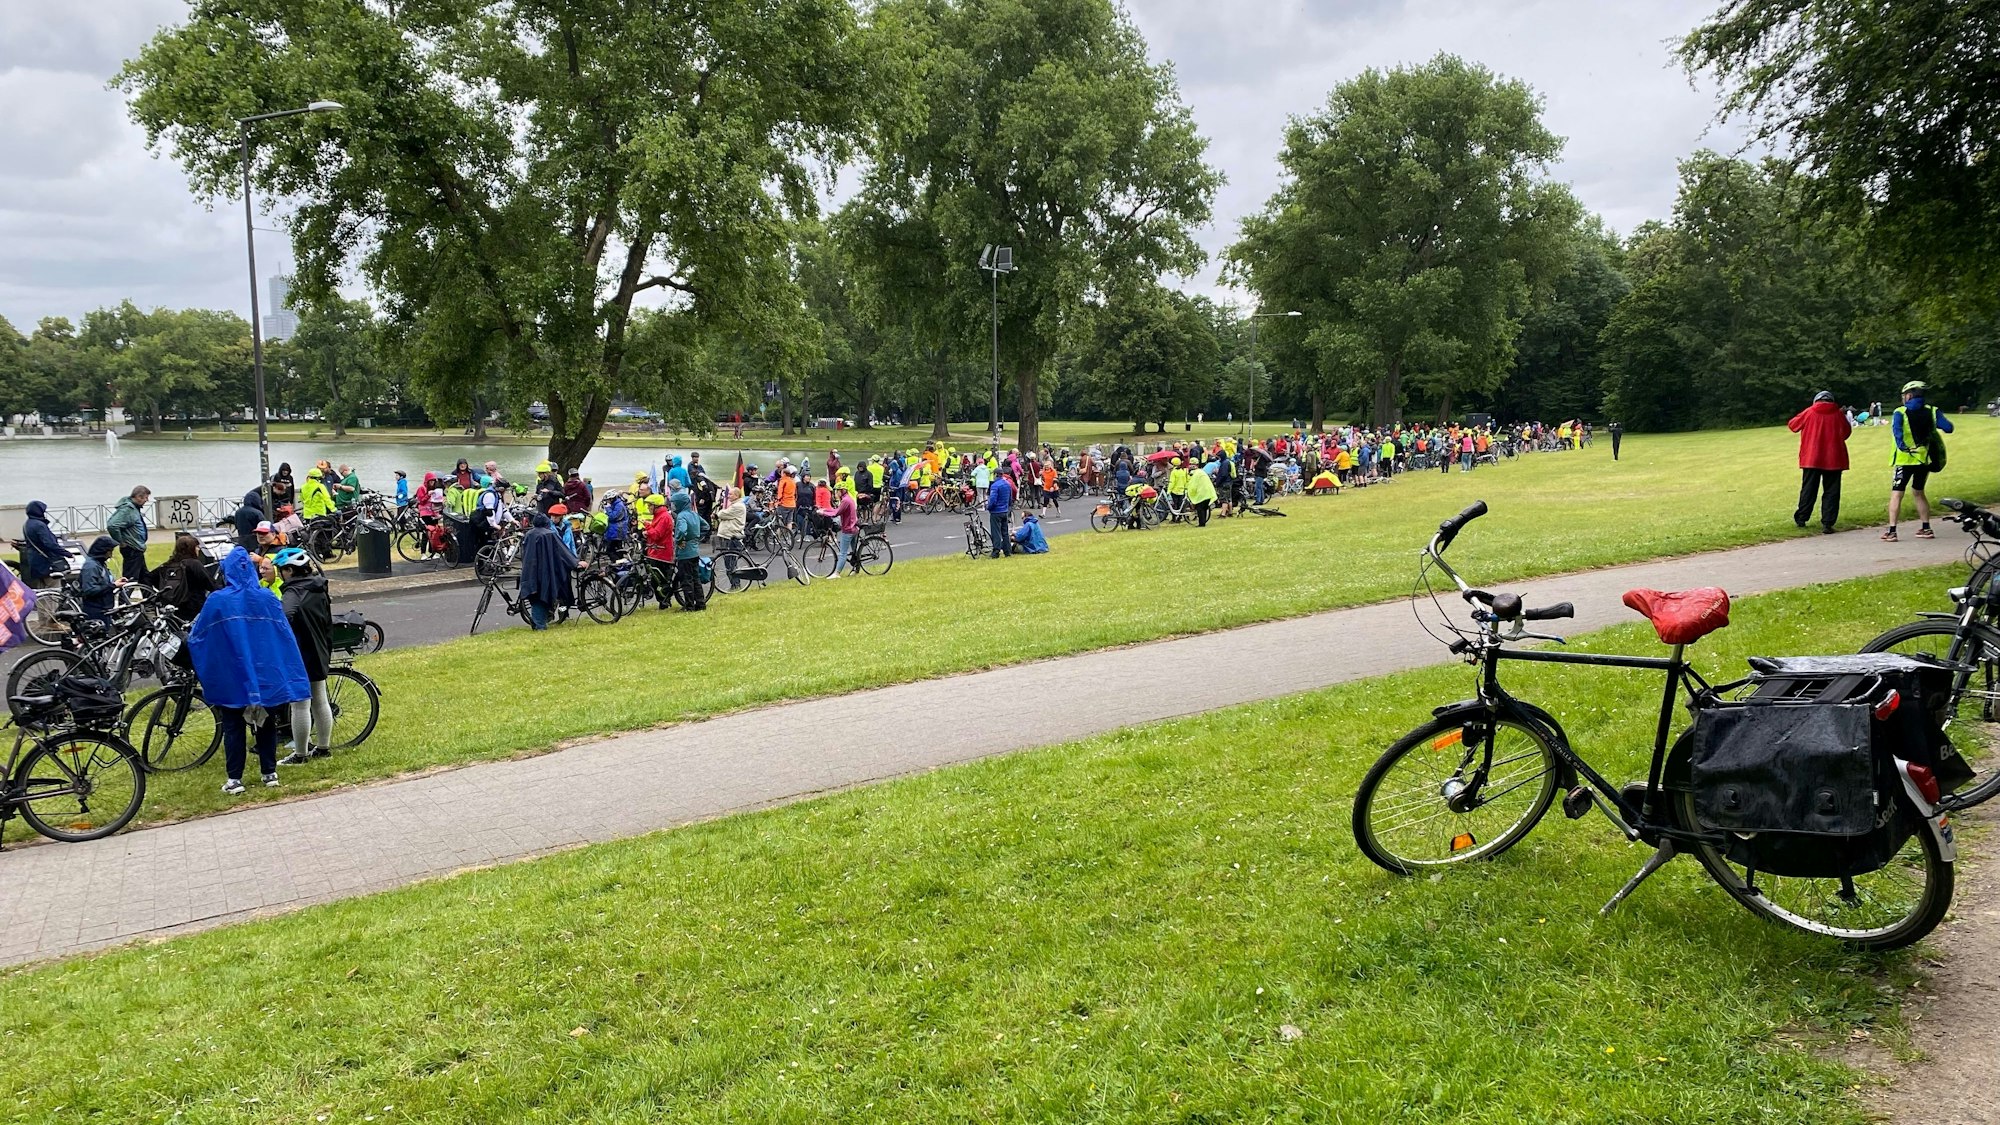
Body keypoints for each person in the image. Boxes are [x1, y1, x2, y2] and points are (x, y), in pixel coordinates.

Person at [187, 547, 308, 794]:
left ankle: (235, 779)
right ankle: (269, 773)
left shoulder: (218, 600)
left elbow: (199, 635)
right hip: (265, 672)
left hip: (232, 674)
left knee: (233, 725)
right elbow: (283, 635)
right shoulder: (267, 598)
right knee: (266, 721)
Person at [270, 548, 334, 766]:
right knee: (320, 700)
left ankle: (300, 754)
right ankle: (323, 748)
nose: (280, 574)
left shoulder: (294, 592)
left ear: (289, 570)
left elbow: (284, 617)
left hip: (300, 652)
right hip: (319, 648)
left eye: (281, 570)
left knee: (300, 705)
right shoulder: (318, 585)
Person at [1885, 379, 1954, 542]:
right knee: (1918, 492)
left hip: (1904, 460)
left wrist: (1904, 446)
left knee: (1897, 494)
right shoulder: (1932, 411)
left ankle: (1892, 531)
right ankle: (1926, 528)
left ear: (1909, 395)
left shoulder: (1900, 412)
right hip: (1924, 459)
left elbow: (1897, 433)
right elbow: (1948, 428)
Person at [1788, 391, 1851, 535]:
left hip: (1812, 457)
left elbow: (1793, 425)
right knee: (1832, 491)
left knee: (1808, 489)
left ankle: (1802, 518)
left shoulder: (1809, 412)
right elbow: (1846, 432)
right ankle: (1828, 523)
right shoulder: (1838, 414)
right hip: (1834, 458)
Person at [514, 512, 580, 629]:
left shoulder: (529, 534)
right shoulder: (549, 534)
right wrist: (575, 562)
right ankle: (539, 625)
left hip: (530, 570)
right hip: (545, 571)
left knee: (535, 596)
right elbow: (562, 552)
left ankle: (537, 622)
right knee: (544, 596)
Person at [148, 533, 216, 623]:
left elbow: (149, 577)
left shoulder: (168, 565)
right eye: (196, 547)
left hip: (171, 607)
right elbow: (211, 584)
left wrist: (163, 589)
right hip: (193, 607)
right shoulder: (194, 564)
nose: (199, 549)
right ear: (191, 549)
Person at [18, 501, 71, 587]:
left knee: (42, 587)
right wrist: (66, 553)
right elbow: (50, 544)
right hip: (46, 562)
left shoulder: (27, 524)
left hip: (34, 561)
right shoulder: (40, 525)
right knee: (54, 586)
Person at [106, 485, 151, 582]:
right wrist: (121, 542)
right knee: (130, 578)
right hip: (132, 548)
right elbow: (112, 525)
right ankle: (126, 592)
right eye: (145, 498)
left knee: (144, 577)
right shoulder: (128, 509)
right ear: (139, 497)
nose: (147, 500)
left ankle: (149, 591)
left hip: (136, 548)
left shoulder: (133, 508)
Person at [671, 492, 708, 609]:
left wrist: (679, 540)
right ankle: (700, 603)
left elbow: (682, 530)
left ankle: (689, 605)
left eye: (674, 504)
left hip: (685, 553)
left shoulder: (681, 516)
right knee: (696, 578)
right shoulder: (694, 514)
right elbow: (706, 526)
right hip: (694, 551)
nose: (673, 506)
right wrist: (696, 538)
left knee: (686, 580)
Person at [642, 494, 676, 608]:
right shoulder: (659, 515)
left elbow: (657, 535)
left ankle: (664, 601)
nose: (648, 508)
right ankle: (663, 600)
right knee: (656, 578)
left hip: (662, 552)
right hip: (656, 551)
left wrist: (647, 528)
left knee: (659, 579)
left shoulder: (664, 517)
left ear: (655, 506)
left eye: (649, 505)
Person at [819, 483, 858, 578]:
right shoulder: (848, 498)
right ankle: (856, 569)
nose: (836, 493)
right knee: (854, 552)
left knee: (843, 553)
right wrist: (825, 510)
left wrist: (823, 512)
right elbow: (836, 510)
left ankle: (837, 573)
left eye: (837, 491)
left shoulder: (845, 501)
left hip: (848, 530)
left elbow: (836, 513)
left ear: (842, 491)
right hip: (854, 528)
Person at [78, 537, 118, 623]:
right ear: (103, 551)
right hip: (95, 610)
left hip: (103, 607)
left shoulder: (99, 563)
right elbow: (89, 589)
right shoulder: (91, 566)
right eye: (110, 551)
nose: (111, 555)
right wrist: (113, 585)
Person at [986, 469, 1015, 558]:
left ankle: (996, 551)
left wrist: (989, 507)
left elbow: (993, 499)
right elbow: (1010, 498)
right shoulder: (1007, 484)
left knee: (996, 532)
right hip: (1004, 510)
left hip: (996, 511)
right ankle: (1007, 551)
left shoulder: (995, 485)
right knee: (1005, 532)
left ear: (995, 474)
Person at [1184, 458, 1218, 526]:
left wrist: (1189, 492)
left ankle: (1201, 524)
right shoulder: (1202, 472)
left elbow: (1193, 485)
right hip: (1208, 492)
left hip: (1201, 494)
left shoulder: (1195, 474)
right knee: (1204, 508)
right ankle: (1203, 522)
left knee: (1200, 509)